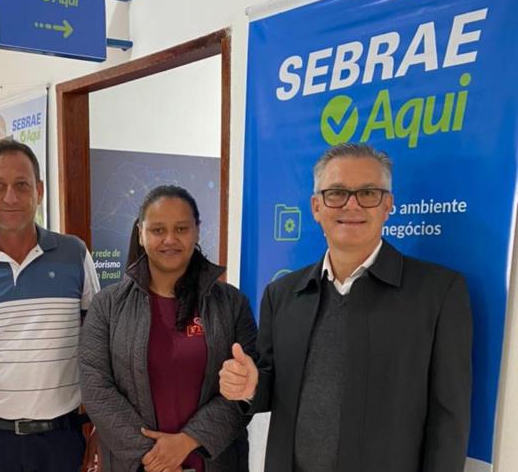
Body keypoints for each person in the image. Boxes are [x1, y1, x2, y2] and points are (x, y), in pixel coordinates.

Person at [219, 143, 472, 472]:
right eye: (336, 193)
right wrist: (251, 386)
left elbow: (449, 421)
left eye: (368, 193)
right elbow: (272, 385)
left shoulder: (438, 293)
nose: (352, 205)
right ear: (316, 207)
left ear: (387, 205)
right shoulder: (281, 294)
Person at [0, 139, 100, 472]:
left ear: (38, 190)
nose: (10, 197)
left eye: (22, 185)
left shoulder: (74, 254)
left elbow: (99, 344)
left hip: (64, 439)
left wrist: (100, 423)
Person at [80, 185, 257, 472]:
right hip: (136, 465)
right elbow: (96, 389)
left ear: (197, 231)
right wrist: (157, 458)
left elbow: (244, 395)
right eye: (158, 230)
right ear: (141, 233)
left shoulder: (232, 304)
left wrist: (188, 441)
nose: (170, 240)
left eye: (182, 229)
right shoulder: (108, 307)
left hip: (214, 462)